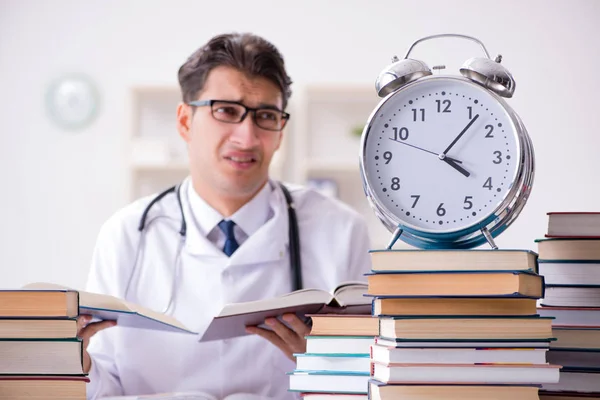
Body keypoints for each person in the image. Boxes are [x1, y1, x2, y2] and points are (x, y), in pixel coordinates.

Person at [78, 32, 372, 400]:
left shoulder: (341, 231)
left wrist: (328, 365)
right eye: (227, 111)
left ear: (280, 132)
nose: (247, 137)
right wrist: (77, 362)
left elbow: (369, 383)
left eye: (266, 116)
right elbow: (103, 389)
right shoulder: (125, 235)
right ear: (185, 121)